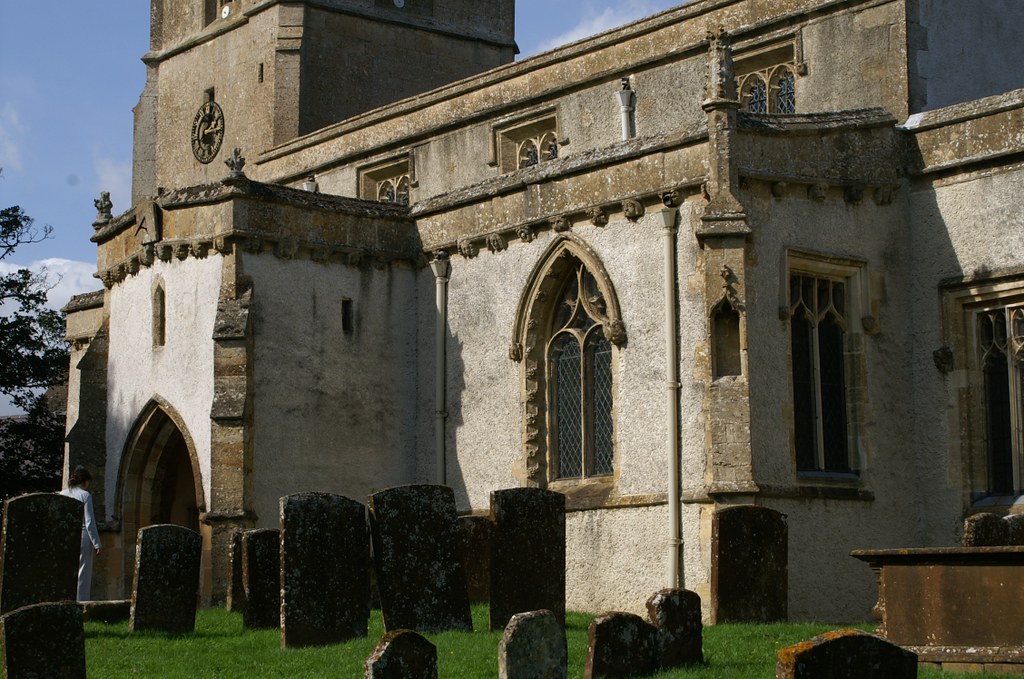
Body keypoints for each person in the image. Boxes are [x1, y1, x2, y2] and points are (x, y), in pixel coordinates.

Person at [60, 466, 102, 601]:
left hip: (64, 536)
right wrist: (97, 543)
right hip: (82, 536)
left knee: (65, 569)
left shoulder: (62, 494)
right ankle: (81, 601)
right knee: (83, 571)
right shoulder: (85, 495)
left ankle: (64, 599)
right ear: (84, 482)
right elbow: (89, 522)